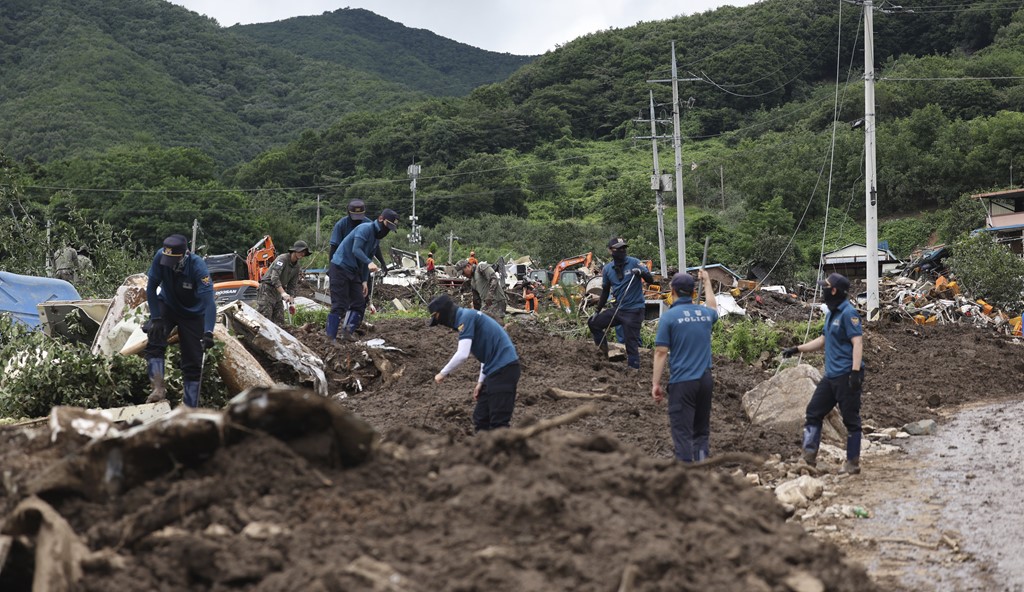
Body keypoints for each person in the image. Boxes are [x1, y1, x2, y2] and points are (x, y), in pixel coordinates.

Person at [782, 272, 865, 475]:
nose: (823, 290)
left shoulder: (848, 313)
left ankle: (852, 462)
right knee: (814, 412)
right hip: (830, 376)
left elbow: (858, 342)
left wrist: (855, 373)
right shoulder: (831, 314)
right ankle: (808, 459)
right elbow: (823, 341)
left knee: (851, 420)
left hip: (846, 375)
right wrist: (797, 349)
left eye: (825, 287)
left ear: (834, 290)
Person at [651, 270, 719, 462]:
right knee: (701, 432)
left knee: (682, 433)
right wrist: (707, 282)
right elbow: (713, 308)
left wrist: (655, 383)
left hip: (683, 382)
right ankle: (702, 467)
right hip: (705, 381)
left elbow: (661, 352)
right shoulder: (704, 314)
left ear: (672, 291)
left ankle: (687, 475)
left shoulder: (669, 317)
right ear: (692, 292)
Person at [428, 294, 521, 432]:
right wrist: (480, 383)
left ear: (443, 314)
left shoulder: (465, 318)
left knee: (498, 422)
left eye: (438, 319)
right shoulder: (467, 317)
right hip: (494, 371)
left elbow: (462, 354)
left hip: (504, 369)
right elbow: (486, 354)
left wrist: (442, 374)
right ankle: (483, 450)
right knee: (481, 418)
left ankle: (503, 451)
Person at [144, 234, 217, 408]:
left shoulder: (198, 267)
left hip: (193, 313)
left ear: (183, 255)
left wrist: (208, 332)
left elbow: (209, 303)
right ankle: (158, 389)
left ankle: (190, 404)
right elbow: (151, 287)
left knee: (192, 359)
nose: (168, 263)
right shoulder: (161, 257)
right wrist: (155, 318)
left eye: (173, 260)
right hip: (168, 304)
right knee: (154, 339)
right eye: (166, 258)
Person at [328, 209, 398, 342]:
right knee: (339, 304)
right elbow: (356, 250)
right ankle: (330, 338)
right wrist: (369, 262)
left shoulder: (375, 240)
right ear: (381, 219)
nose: (386, 231)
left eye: (389, 229)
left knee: (360, 302)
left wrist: (364, 281)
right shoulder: (364, 229)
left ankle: (347, 333)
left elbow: (366, 260)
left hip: (354, 271)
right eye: (386, 227)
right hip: (340, 267)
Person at [588, 237, 653, 369]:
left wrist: (641, 273)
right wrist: (597, 310)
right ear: (610, 250)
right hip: (619, 310)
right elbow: (605, 291)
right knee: (593, 323)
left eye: (624, 248)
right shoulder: (607, 269)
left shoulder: (635, 262)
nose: (622, 250)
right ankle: (603, 356)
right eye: (619, 248)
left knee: (630, 342)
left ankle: (633, 369)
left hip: (634, 310)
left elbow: (650, 279)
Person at [256, 240, 310, 324]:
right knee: (265, 318)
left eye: (304, 252)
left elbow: (292, 285)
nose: (302, 254)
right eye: (301, 251)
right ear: (295, 250)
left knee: (279, 320)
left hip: (278, 293)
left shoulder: (296, 267)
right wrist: (283, 293)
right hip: (267, 289)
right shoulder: (282, 259)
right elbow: (274, 277)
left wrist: (291, 302)